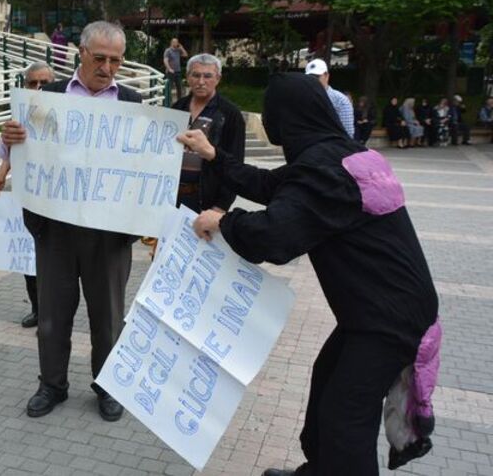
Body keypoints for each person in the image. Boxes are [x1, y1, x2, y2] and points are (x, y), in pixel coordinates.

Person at [179, 73, 439, 476]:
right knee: (327, 384)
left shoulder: (325, 170)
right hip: (380, 312)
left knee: (344, 418)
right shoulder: (341, 155)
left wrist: (224, 219)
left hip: (387, 321)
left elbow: (275, 237)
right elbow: (271, 185)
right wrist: (216, 155)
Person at [0, 21, 141, 422]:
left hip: (110, 233)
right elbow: (15, 149)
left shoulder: (132, 102)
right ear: (80, 53)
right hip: (56, 228)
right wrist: (9, 137)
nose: (108, 68)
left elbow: (143, 163)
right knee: (53, 313)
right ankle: (52, 385)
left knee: (109, 316)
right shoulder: (49, 96)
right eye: (100, 58)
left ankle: (107, 387)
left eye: (116, 60)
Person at [0, 61, 55, 328]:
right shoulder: (18, 118)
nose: (38, 88)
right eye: (32, 83)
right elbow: (13, 152)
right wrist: (1, 176)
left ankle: (54, 316)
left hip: (58, 200)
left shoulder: (68, 115)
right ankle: (39, 310)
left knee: (56, 263)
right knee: (29, 259)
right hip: (28, 197)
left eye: (45, 83)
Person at [171, 53, 246, 213]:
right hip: (171, 196)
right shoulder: (177, 108)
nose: (201, 82)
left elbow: (236, 163)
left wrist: (221, 206)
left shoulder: (230, 114)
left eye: (208, 76)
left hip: (206, 200)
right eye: (196, 75)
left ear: (218, 78)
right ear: (187, 77)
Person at [304, 59, 353, 137]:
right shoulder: (303, 98)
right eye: (310, 77)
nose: (313, 80)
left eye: (317, 77)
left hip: (334, 146)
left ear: (326, 76)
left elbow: (347, 133)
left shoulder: (341, 100)